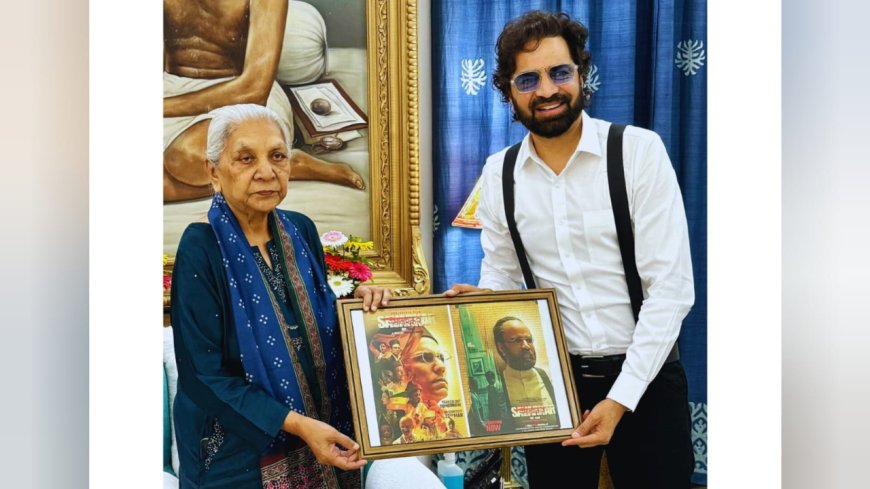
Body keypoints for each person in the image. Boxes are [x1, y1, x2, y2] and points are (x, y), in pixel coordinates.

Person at [445, 10, 695, 489]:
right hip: (550, 388)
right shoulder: (498, 174)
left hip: (647, 379)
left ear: (580, 74)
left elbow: (672, 289)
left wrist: (620, 399)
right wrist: (480, 305)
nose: (546, 90)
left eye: (560, 72)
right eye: (528, 78)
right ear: (507, 90)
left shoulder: (638, 151)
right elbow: (501, 275)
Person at [170, 103, 391, 488]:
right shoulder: (200, 247)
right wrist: (297, 425)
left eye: (277, 156)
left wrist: (361, 306)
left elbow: (308, 325)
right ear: (213, 171)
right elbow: (203, 378)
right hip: (237, 453)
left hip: (321, 430)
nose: (266, 172)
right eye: (245, 158)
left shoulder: (301, 232)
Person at [163, 0, 365, 202]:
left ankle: (285, 162)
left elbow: (254, 89)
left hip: (244, 96)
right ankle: (285, 164)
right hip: (171, 91)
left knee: (185, 157)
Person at [492, 317, 558, 431]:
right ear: (502, 348)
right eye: (517, 340)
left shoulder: (552, 379)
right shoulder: (496, 387)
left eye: (529, 340)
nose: (526, 346)